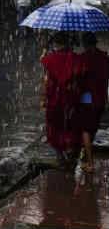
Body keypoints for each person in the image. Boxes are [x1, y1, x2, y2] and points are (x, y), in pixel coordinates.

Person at [41, 32, 83, 167]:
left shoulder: (49, 59)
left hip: (54, 98)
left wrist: (44, 98)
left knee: (54, 125)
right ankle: (70, 148)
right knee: (70, 123)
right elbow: (78, 78)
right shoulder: (75, 58)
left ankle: (60, 154)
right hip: (70, 98)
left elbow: (47, 81)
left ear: (55, 44)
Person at [77, 32, 109, 172]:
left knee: (84, 129)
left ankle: (89, 163)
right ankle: (85, 157)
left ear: (84, 43)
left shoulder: (82, 58)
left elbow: (78, 79)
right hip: (101, 97)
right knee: (93, 127)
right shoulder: (104, 57)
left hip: (87, 97)